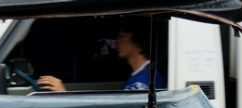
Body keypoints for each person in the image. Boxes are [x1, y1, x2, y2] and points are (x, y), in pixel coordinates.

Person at [38, 19, 167, 93]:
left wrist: (63, 94)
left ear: (138, 42)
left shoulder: (142, 83)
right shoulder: (145, 74)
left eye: (122, 37)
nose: (117, 41)